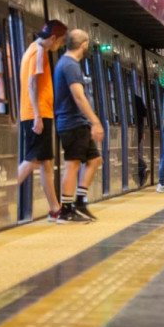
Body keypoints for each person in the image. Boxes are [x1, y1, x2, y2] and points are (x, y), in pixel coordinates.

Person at [17, 20, 67, 221]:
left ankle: (55, 208)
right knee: (31, 160)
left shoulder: (31, 49)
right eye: (61, 42)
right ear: (53, 38)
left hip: (37, 113)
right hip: (37, 114)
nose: (60, 46)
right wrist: (38, 115)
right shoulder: (39, 52)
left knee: (45, 162)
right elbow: (32, 84)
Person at [53, 29, 104, 223]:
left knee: (94, 160)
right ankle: (66, 210)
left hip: (77, 122)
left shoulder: (68, 64)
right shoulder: (70, 65)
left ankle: (80, 201)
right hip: (72, 122)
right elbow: (78, 96)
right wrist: (95, 121)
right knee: (73, 164)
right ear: (83, 45)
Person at [134, 92, 149, 186]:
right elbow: (144, 116)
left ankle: (142, 167)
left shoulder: (136, 98)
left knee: (134, 152)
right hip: (139, 129)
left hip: (138, 129)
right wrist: (143, 131)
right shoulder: (137, 98)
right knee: (136, 151)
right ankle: (142, 168)